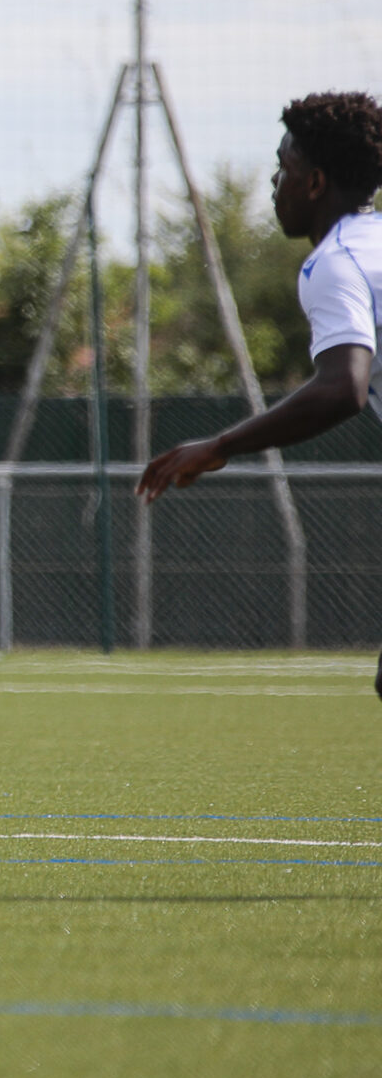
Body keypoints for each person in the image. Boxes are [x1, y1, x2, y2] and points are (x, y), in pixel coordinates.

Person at [140, 91, 382, 697]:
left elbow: (343, 387)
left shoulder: (339, 261)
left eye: (285, 167)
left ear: (315, 182)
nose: (276, 180)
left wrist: (220, 444)